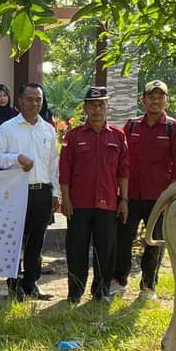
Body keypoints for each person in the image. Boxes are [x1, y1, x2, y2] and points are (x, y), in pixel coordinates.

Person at [110, 79, 176, 298]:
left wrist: (171, 198)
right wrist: (121, 194)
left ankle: (148, 286)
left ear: (166, 100)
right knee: (123, 238)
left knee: (154, 241)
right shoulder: (132, 126)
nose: (155, 101)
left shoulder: (175, 128)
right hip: (131, 196)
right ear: (142, 100)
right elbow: (121, 161)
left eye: (160, 97)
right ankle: (119, 280)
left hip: (159, 197)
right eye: (151, 97)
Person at [0, 82, 60, 301]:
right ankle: (14, 285)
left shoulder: (48, 129)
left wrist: (56, 192)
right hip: (17, 192)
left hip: (42, 192)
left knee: (37, 240)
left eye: (38, 99)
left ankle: (31, 283)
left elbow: (54, 164)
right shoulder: (7, 128)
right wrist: (16, 158)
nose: (34, 103)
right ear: (20, 101)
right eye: (29, 99)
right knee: (15, 240)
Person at [59, 86, 129, 304]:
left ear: (107, 107)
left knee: (106, 249)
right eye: (92, 105)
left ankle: (101, 290)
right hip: (79, 203)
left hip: (108, 202)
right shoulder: (74, 136)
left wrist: (124, 200)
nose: (97, 109)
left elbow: (123, 170)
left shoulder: (118, 136)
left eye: (101, 105)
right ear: (85, 108)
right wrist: (65, 199)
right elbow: (65, 170)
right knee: (76, 248)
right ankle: (75, 291)